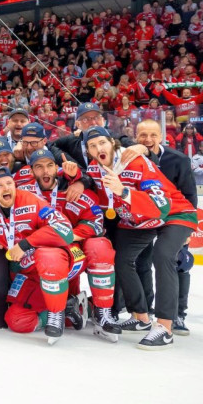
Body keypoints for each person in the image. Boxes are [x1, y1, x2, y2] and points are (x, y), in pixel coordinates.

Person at [84, 126, 196, 350]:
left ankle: (164, 326)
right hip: (138, 220)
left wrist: (124, 192)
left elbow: (160, 206)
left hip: (173, 213)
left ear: (113, 143)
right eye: (93, 146)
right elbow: (100, 196)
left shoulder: (135, 162)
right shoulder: (95, 168)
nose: (98, 149)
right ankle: (141, 316)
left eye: (102, 143)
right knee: (121, 259)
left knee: (162, 255)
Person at [0, 166, 75, 345]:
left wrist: (25, 244)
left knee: (49, 257)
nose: (6, 188)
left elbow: (64, 230)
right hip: (25, 274)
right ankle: (66, 307)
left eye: (9, 183)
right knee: (17, 321)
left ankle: (56, 313)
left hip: (54, 261)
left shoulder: (32, 201)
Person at [29, 149, 121, 342]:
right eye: (39, 167)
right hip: (37, 254)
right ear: (31, 171)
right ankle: (64, 308)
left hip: (72, 250)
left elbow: (94, 223)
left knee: (100, 247)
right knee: (48, 256)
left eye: (49, 165)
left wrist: (65, 237)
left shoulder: (76, 191)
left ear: (57, 168)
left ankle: (103, 312)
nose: (45, 171)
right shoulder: (24, 194)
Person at [134, 119, 197, 335]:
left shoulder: (177, 159)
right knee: (142, 261)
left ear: (161, 136)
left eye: (153, 135)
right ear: (136, 137)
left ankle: (177, 313)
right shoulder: (132, 159)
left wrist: (188, 229)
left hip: (174, 220)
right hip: (146, 218)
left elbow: (190, 194)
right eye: (143, 135)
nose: (148, 140)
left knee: (178, 262)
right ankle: (145, 311)